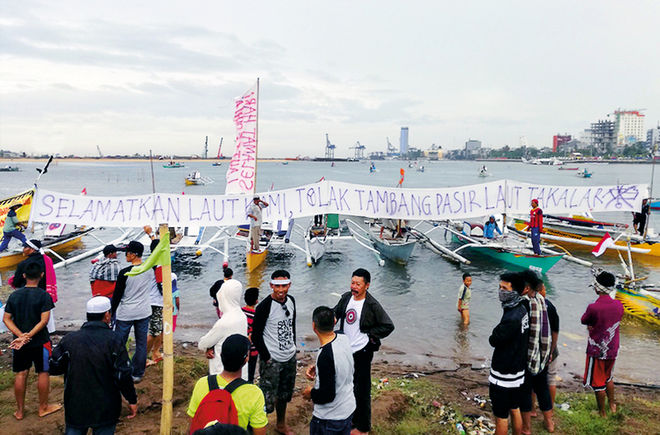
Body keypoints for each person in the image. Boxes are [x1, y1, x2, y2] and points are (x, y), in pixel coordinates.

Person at [50, 296, 138, 434]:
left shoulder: (70, 340)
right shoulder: (114, 340)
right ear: (107, 315)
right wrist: (131, 399)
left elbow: (54, 367)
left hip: (76, 406)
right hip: (106, 407)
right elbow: (123, 374)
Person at [333, 268, 395, 435]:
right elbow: (336, 312)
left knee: (361, 390)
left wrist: (370, 336)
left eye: (358, 284)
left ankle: (363, 427)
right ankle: (350, 419)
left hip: (362, 352)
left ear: (367, 285)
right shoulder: (347, 297)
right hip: (346, 350)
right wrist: (330, 319)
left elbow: (388, 326)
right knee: (346, 386)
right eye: (352, 283)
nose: (354, 287)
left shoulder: (372, 305)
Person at [2, 262, 61, 420]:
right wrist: (29, 336)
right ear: (41, 275)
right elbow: (44, 321)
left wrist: (21, 336)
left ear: (23, 276)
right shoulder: (43, 295)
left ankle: (20, 411)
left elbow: (6, 319)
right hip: (40, 341)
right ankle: (43, 407)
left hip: (20, 343)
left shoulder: (14, 295)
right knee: (43, 372)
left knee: (21, 373)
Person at [187, 334, 268, 434]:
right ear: (246, 359)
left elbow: (192, 422)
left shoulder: (202, 383)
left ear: (221, 355)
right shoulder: (254, 393)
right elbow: (259, 431)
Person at [252, 270, 297, 435]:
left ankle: (281, 424)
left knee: (285, 394)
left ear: (289, 285)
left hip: (289, 355)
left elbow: (292, 325)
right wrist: (267, 357)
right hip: (272, 359)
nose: (281, 290)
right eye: (277, 286)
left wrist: (292, 348)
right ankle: (258, 427)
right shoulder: (264, 306)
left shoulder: (291, 301)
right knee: (266, 398)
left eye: (284, 285)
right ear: (271, 285)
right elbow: (256, 335)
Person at [303, 306, 356, 435]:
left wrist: (310, 393)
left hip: (330, 418)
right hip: (348, 407)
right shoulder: (343, 337)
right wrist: (320, 369)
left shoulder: (326, 355)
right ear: (335, 321)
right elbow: (339, 360)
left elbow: (327, 395)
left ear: (314, 326)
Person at [488, 272, 529, 435]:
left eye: (504, 288)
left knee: (501, 416)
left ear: (515, 291)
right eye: (499, 287)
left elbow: (494, 339)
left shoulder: (511, 318)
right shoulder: (522, 308)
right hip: (518, 369)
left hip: (504, 373)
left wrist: (496, 331)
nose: (500, 291)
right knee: (515, 407)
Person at [581, 271, 623, 417]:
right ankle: (612, 405)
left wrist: (592, 326)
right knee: (608, 377)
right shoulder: (619, 305)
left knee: (598, 382)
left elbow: (584, 320)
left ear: (597, 288)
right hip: (613, 348)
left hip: (597, 349)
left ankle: (602, 413)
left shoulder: (593, 307)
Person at [111, 240, 152, 383]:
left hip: (126, 312)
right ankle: (137, 373)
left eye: (127, 253)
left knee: (119, 342)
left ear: (134, 255)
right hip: (144, 311)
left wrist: (111, 312)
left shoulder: (125, 273)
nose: (125, 256)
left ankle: (121, 369)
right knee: (141, 344)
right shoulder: (149, 269)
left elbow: (116, 296)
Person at [518, 270, 554, 433]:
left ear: (526, 287)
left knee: (525, 392)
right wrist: (550, 352)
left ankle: (526, 428)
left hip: (528, 355)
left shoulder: (524, 303)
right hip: (543, 353)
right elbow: (553, 330)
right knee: (542, 389)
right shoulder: (543, 302)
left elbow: (520, 332)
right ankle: (549, 422)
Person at [198, 279, 248, 377]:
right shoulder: (242, 316)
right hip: (240, 373)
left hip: (222, 374)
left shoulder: (223, 323)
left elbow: (202, 344)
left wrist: (208, 346)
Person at [11, 239, 58, 333]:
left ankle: (27, 335)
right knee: (44, 322)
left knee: (30, 321)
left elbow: (16, 282)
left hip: (28, 296)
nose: (23, 249)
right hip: (44, 294)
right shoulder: (47, 260)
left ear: (32, 249)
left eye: (25, 247)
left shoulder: (24, 264)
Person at [531, 282, 560, 414]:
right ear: (540, 290)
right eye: (544, 288)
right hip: (550, 348)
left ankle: (532, 409)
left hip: (534, 350)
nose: (546, 291)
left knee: (532, 380)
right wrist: (551, 351)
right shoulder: (550, 306)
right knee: (550, 379)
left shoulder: (529, 305)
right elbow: (555, 330)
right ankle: (550, 409)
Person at [146, 239, 164, 367]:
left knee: (159, 329)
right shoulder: (158, 263)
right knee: (153, 332)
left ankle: (156, 352)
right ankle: (144, 357)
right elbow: (160, 284)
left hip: (153, 300)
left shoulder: (151, 261)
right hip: (155, 301)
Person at [241, 287, 259, 383]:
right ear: (256, 301)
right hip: (252, 351)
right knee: (250, 375)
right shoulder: (256, 316)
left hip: (240, 346)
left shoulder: (240, 312)